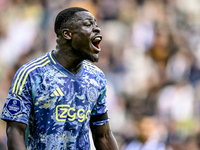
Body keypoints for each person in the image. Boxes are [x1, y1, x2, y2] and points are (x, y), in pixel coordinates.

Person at [1, 7, 119, 150]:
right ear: (67, 34)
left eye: (96, 25)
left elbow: (103, 136)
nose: (97, 29)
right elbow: (15, 131)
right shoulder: (31, 74)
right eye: (88, 24)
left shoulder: (96, 77)